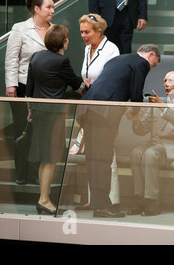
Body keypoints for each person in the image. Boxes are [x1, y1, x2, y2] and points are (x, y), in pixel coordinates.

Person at [77, 44, 160, 218]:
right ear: (150, 55)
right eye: (154, 64)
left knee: (94, 159)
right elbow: (135, 94)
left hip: (87, 108)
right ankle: (102, 207)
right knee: (103, 159)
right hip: (103, 113)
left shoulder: (117, 59)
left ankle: (99, 202)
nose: (151, 69)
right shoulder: (141, 62)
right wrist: (136, 113)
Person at [26, 24, 87, 215]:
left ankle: (44, 197)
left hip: (38, 112)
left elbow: (29, 87)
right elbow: (78, 85)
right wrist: (84, 86)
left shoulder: (36, 57)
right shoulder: (62, 61)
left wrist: (30, 110)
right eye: (67, 38)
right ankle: (44, 199)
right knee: (50, 158)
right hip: (53, 114)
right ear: (63, 41)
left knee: (46, 158)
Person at [70, 13, 121, 211]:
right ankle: (96, 201)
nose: (83, 35)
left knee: (102, 159)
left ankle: (104, 203)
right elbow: (87, 76)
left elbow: (111, 79)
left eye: (87, 32)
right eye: (81, 32)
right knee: (91, 158)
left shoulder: (111, 49)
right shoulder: (86, 49)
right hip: (89, 109)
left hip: (104, 112)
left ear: (99, 31)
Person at [126, 71, 174, 217]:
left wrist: (164, 108)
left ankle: (152, 202)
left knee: (150, 154)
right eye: (164, 80)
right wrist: (136, 118)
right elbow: (142, 131)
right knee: (136, 153)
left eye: (170, 80)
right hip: (156, 143)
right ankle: (139, 199)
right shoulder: (158, 102)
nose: (165, 84)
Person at [5, 0, 55, 185]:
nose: (53, 10)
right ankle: (21, 173)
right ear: (37, 9)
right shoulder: (20, 28)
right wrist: (11, 84)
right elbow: (11, 58)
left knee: (41, 131)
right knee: (22, 128)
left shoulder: (54, 29)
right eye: (49, 7)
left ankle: (36, 173)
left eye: (52, 7)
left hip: (44, 89)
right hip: (21, 86)